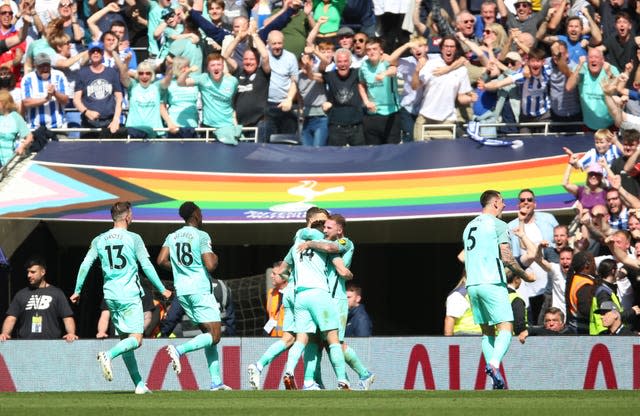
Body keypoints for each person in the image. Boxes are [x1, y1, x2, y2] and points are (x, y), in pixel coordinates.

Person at [70, 201, 172, 394]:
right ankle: (108, 354)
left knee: (126, 339)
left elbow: (85, 264)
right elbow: (147, 267)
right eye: (132, 214)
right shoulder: (134, 238)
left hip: (111, 296)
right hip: (129, 294)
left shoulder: (99, 239)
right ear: (127, 216)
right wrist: (161, 288)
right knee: (137, 339)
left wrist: (77, 290)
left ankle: (139, 385)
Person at [247, 208, 330, 391]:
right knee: (310, 338)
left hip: (291, 293)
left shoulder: (296, 243)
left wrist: (293, 275)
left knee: (288, 339)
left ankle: (259, 365)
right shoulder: (313, 237)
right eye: (321, 220)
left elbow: (283, 269)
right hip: (304, 293)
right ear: (312, 220)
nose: (325, 225)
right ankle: (306, 379)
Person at [157, 201, 232, 391]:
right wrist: (216, 257)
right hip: (199, 288)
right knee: (215, 335)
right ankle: (179, 350)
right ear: (195, 215)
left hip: (182, 291)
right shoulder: (201, 235)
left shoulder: (172, 236)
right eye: (201, 212)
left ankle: (216, 382)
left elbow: (160, 260)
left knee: (208, 334)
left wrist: (181, 269)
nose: (203, 215)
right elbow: (210, 265)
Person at [463, 189, 533, 389]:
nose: (504, 205)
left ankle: (496, 380)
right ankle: (493, 365)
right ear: (494, 203)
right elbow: (507, 258)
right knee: (506, 328)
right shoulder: (498, 224)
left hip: (472, 285)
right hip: (492, 282)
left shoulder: (468, 226)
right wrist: (525, 275)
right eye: (502, 202)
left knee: (487, 332)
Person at [0, 256, 77, 341]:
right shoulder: (21, 294)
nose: (29, 275)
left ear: (43, 272)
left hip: (51, 345)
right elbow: (11, 318)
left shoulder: (57, 293)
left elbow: (67, 317)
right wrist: (5, 334)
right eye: (28, 272)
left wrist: (71, 333)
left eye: (33, 272)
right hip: (26, 345)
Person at [73, 40, 123, 138]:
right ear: (89, 54)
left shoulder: (111, 72)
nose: (96, 53)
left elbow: (119, 97)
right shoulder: (82, 73)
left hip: (109, 122)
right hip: (88, 124)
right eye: (93, 51)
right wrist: (86, 111)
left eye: (98, 51)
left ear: (103, 53)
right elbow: (76, 99)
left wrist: (116, 119)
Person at [21, 52, 71, 130]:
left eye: (47, 65)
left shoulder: (59, 76)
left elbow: (65, 100)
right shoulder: (28, 79)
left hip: (58, 128)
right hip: (34, 129)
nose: (45, 68)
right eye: (41, 66)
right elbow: (26, 103)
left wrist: (55, 93)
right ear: (35, 66)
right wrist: (46, 98)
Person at [565, 250, 596, 334]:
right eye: (593, 261)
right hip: (584, 330)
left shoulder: (575, 279)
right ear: (587, 265)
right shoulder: (585, 284)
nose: (595, 265)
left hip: (576, 326)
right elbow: (585, 309)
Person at [0, 89, 33, 167]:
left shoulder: (15, 117)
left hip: (9, 159)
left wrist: (22, 147)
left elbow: (29, 136)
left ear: (5, 103)